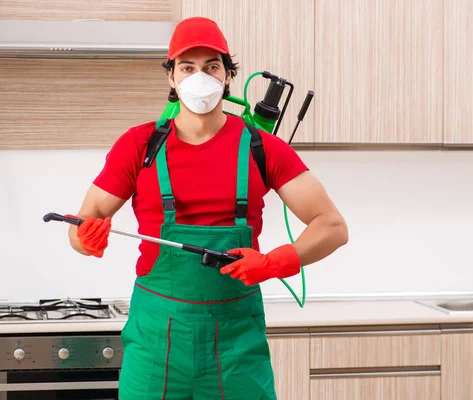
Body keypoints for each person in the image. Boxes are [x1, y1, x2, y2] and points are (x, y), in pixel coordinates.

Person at [66, 16, 348, 400]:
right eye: (188, 67)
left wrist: (276, 262)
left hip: (237, 347)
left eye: (211, 66)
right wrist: (86, 238)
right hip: (155, 344)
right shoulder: (139, 145)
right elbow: (82, 224)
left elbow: (332, 226)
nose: (200, 77)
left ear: (227, 76)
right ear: (172, 78)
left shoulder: (261, 147)